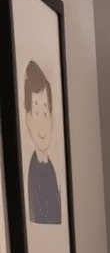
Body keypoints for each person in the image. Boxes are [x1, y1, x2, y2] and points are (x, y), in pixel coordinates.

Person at [23, 59, 61, 224]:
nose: (42, 124)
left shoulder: (52, 169)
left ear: (52, 119)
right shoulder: (34, 173)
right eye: (37, 113)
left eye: (45, 112)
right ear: (29, 119)